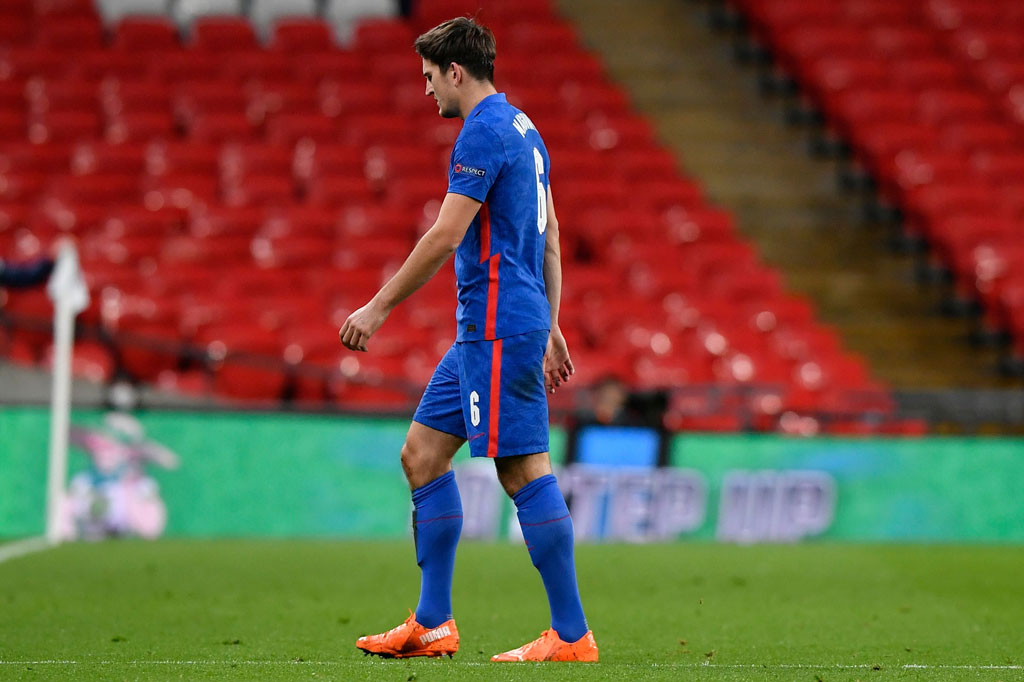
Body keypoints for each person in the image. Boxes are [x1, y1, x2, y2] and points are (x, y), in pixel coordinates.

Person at [340, 17, 598, 663]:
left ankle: (571, 635)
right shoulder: (524, 127)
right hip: (495, 327)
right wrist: (553, 321)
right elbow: (550, 235)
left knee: (521, 469)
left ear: (456, 71)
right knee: (422, 455)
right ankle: (432, 623)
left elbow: (446, 235)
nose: (427, 91)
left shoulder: (481, 131)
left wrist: (376, 309)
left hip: (497, 326)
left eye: (430, 78)